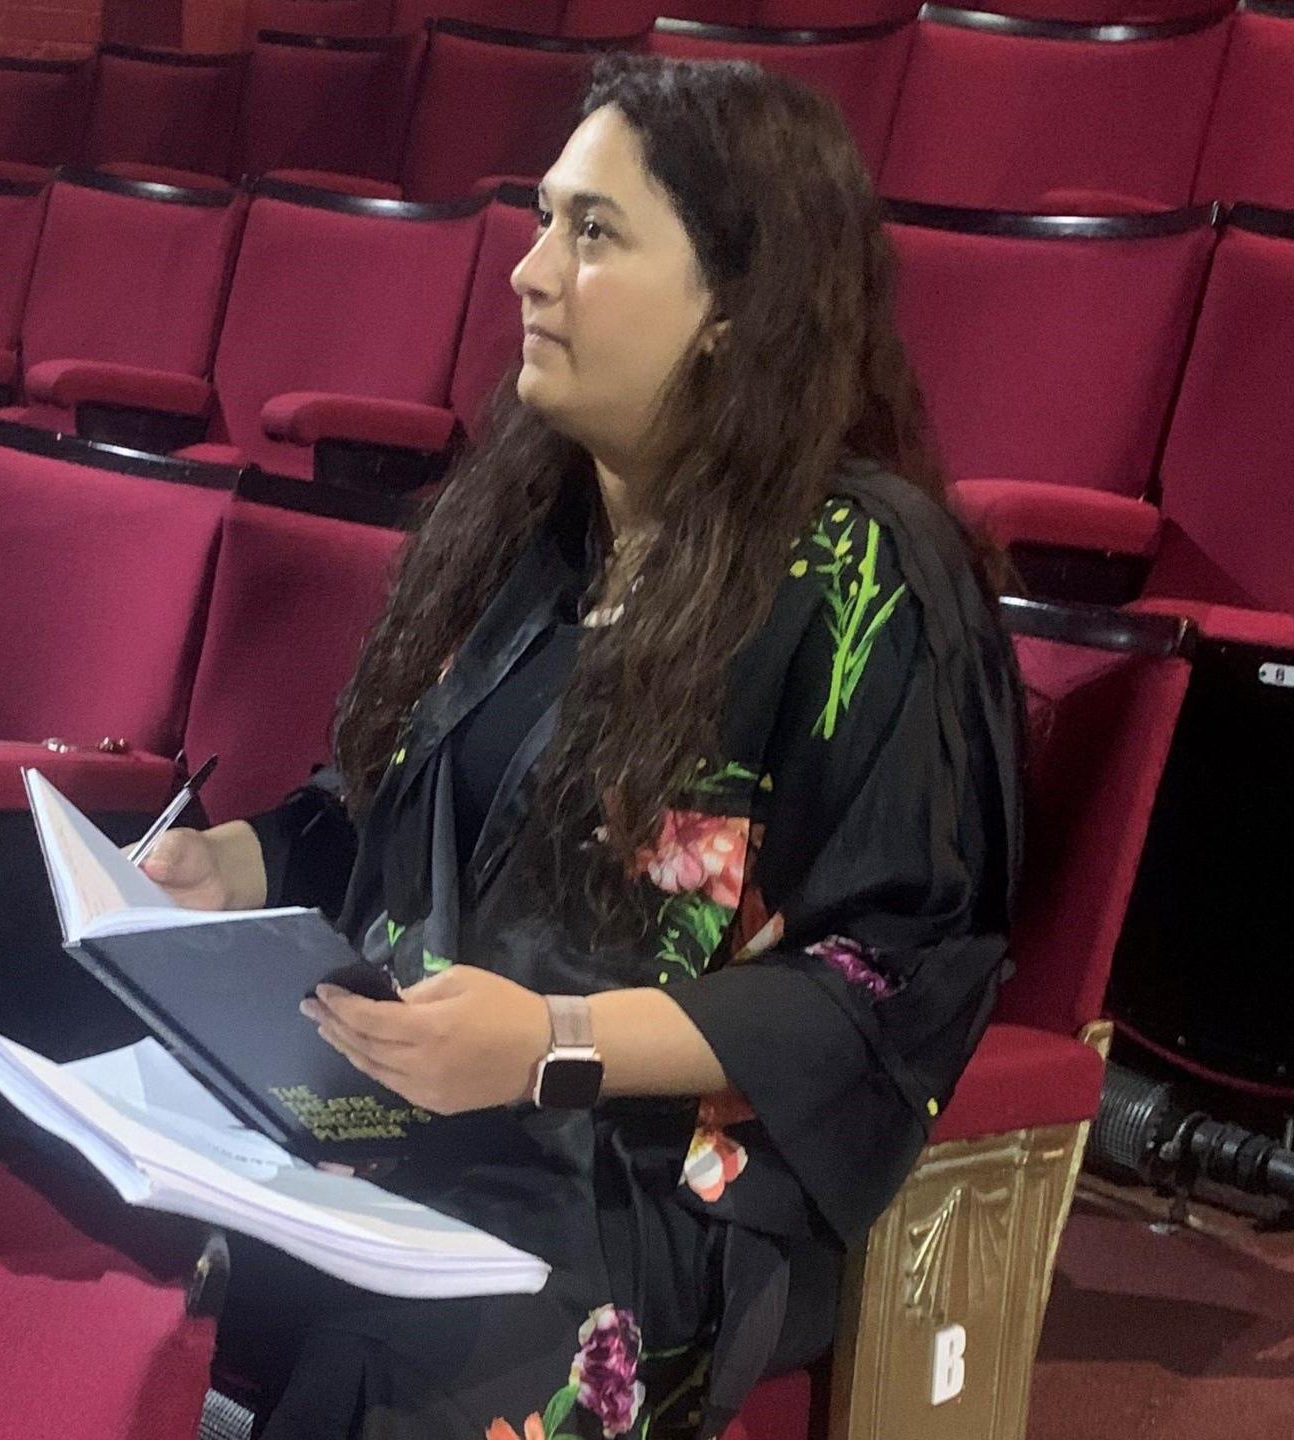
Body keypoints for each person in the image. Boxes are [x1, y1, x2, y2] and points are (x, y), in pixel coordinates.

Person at [140, 54, 1022, 1440]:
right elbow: (404, 804)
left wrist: (550, 1043)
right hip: (432, 1108)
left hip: (659, 1187)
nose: (528, 271)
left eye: (592, 232)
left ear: (735, 302)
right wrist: (242, 859)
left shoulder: (861, 574)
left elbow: (877, 979)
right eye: (544, 219)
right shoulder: (542, 526)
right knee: (100, 1247)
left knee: (392, 1375)